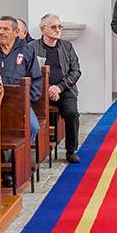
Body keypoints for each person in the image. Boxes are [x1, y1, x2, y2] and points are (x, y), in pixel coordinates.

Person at [0, 15, 43, 135]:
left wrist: (27, 101)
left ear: (16, 32)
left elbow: (36, 79)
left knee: (33, 127)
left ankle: (20, 148)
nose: (1, 32)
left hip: (19, 102)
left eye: (6, 29)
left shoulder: (27, 51)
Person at [35, 13, 82, 163]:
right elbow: (30, 72)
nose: (58, 30)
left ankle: (71, 150)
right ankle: (38, 148)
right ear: (43, 29)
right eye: (53, 27)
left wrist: (59, 88)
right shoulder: (32, 48)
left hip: (65, 90)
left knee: (72, 113)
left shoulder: (67, 46)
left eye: (60, 26)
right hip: (40, 92)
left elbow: (76, 71)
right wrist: (48, 88)